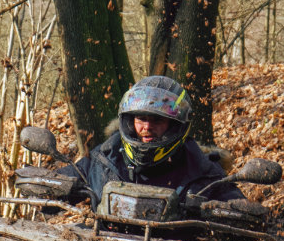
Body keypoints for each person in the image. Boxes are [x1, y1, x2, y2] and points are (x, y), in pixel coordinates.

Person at [61, 75, 243, 203]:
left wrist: (240, 212)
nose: (147, 127)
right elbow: (59, 182)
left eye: (158, 120)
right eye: (141, 119)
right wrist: (37, 181)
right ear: (130, 121)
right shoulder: (105, 158)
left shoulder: (203, 171)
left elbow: (238, 209)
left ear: (174, 124)